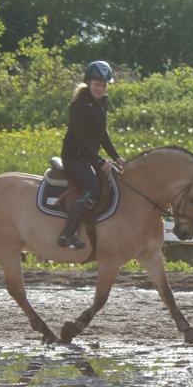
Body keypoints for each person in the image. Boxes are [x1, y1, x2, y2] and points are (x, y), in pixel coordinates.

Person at [57, 60, 125, 249]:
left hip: (88, 157)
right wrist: (99, 160)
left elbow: (102, 134)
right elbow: (79, 138)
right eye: (97, 84)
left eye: (103, 85)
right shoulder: (79, 105)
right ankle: (67, 234)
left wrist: (116, 156)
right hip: (74, 157)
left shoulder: (101, 104)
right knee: (93, 189)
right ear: (88, 82)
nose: (100, 88)